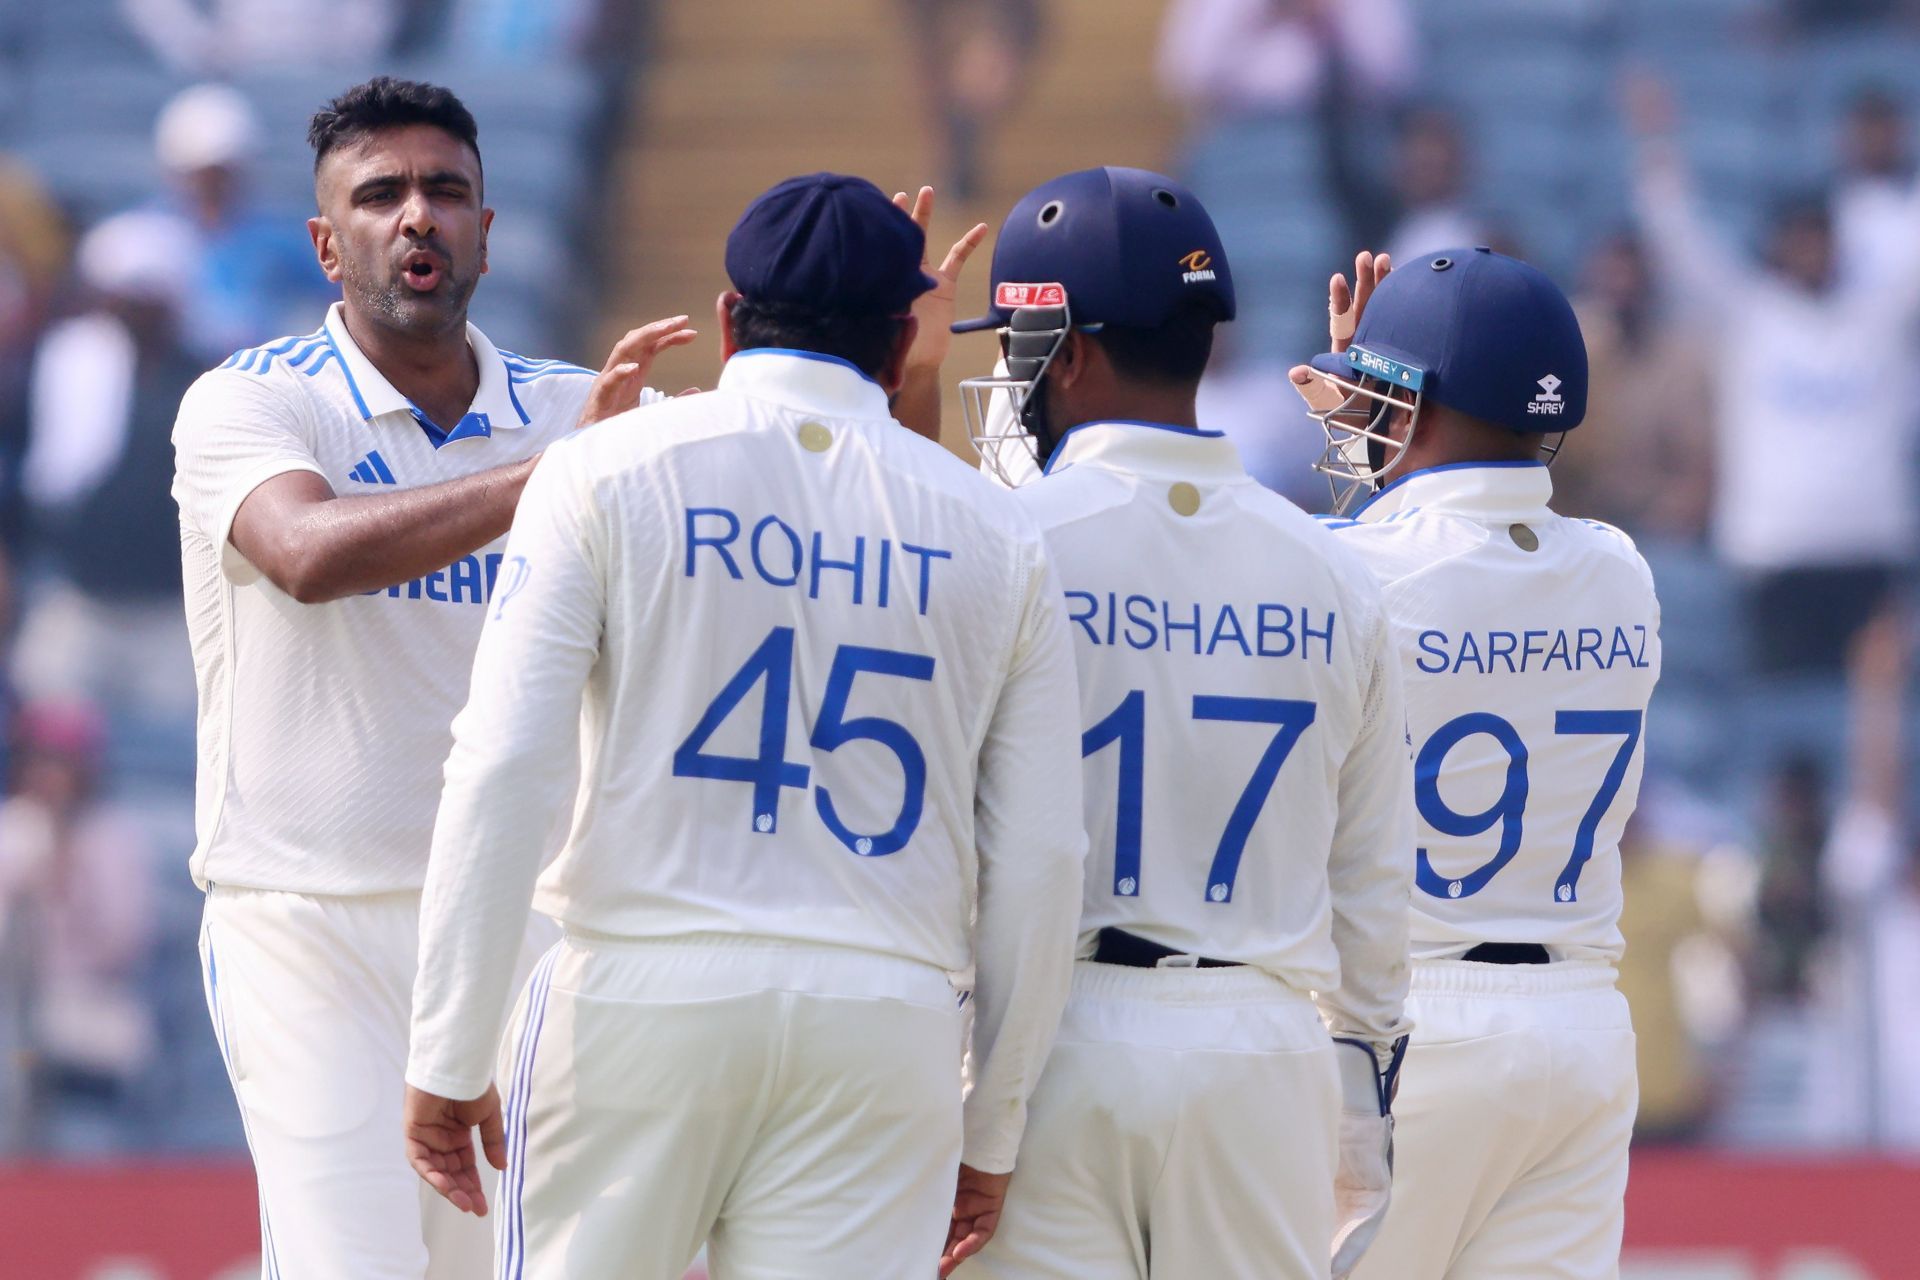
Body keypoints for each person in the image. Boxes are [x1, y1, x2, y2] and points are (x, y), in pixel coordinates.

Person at [401, 173, 1086, 1280]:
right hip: (883, 1012)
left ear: (727, 319)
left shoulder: (601, 469)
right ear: (905, 333)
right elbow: (1045, 853)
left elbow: (506, 763)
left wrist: (448, 1041)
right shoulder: (999, 531)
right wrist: (992, 1115)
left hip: (637, 991)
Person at [169, 76, 694, 1279]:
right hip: (306, 925)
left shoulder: (576, 406)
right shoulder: (252, 400)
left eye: (446, 191)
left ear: (487, 230)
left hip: (525, 932)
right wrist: (561, 475)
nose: (417, 217)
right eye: (381, 194)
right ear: (324, 239)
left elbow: (764, 518)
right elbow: (304, 555)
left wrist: (886, 388)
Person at [947, 166, 1413, 1279]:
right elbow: (1374, 895)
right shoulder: (1337, 572)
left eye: (1023, 343)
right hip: (1266, 1049)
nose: (1013, 372)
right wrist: (1360, 1120)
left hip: (1059, 1040)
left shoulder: (1006, 539)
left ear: (1074, 352)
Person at [1290, 246, 1661, 1278]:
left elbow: (1360, 566)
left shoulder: (1346, 569)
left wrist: (1368, 429)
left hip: (1408, 1031)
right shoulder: (1620, 570)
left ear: (1415, 405)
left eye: (1374, 392)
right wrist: (1390, 405)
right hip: (1579, 1033)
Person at [1626, 74, 1920, 677]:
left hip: (1871, 548)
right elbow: (1675, 234)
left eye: (1822, 240)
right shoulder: (1748, 315)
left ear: (1839, 244)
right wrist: (1656, 139)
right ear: (1778, 247)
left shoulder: (1883, 314)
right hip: (1775, 552)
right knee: (1781, 728)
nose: (1812, 252)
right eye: (1799, 241)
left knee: (1878, 717)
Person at [15, 212, 203, 720]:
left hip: (169, 612)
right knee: (45, 722)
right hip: (77, 597)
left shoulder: (205, 381)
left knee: (181, 746)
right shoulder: (64, 363)